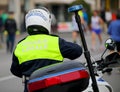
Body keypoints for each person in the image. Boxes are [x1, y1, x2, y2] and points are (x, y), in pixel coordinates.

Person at [10, 7, 83, 92]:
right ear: (46, 22)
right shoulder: (55, 42)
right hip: (54, 87)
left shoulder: (20, 45)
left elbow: (15, 70)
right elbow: (77, 51)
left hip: (30, 87)